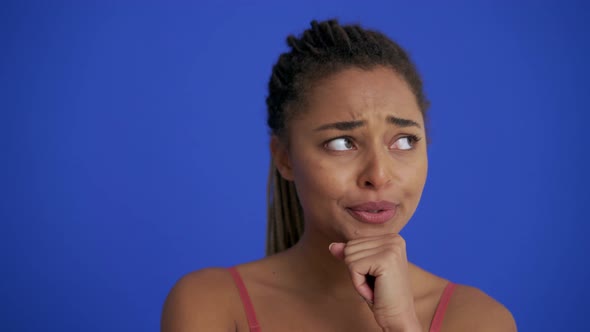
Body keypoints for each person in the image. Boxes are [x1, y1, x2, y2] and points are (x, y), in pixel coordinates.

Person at [161, 19, 517, 332]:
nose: (378, 175)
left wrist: (402, 325)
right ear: (284, 157)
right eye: (343, 142)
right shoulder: (209, 303)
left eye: (405, 140)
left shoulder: (480, 319)